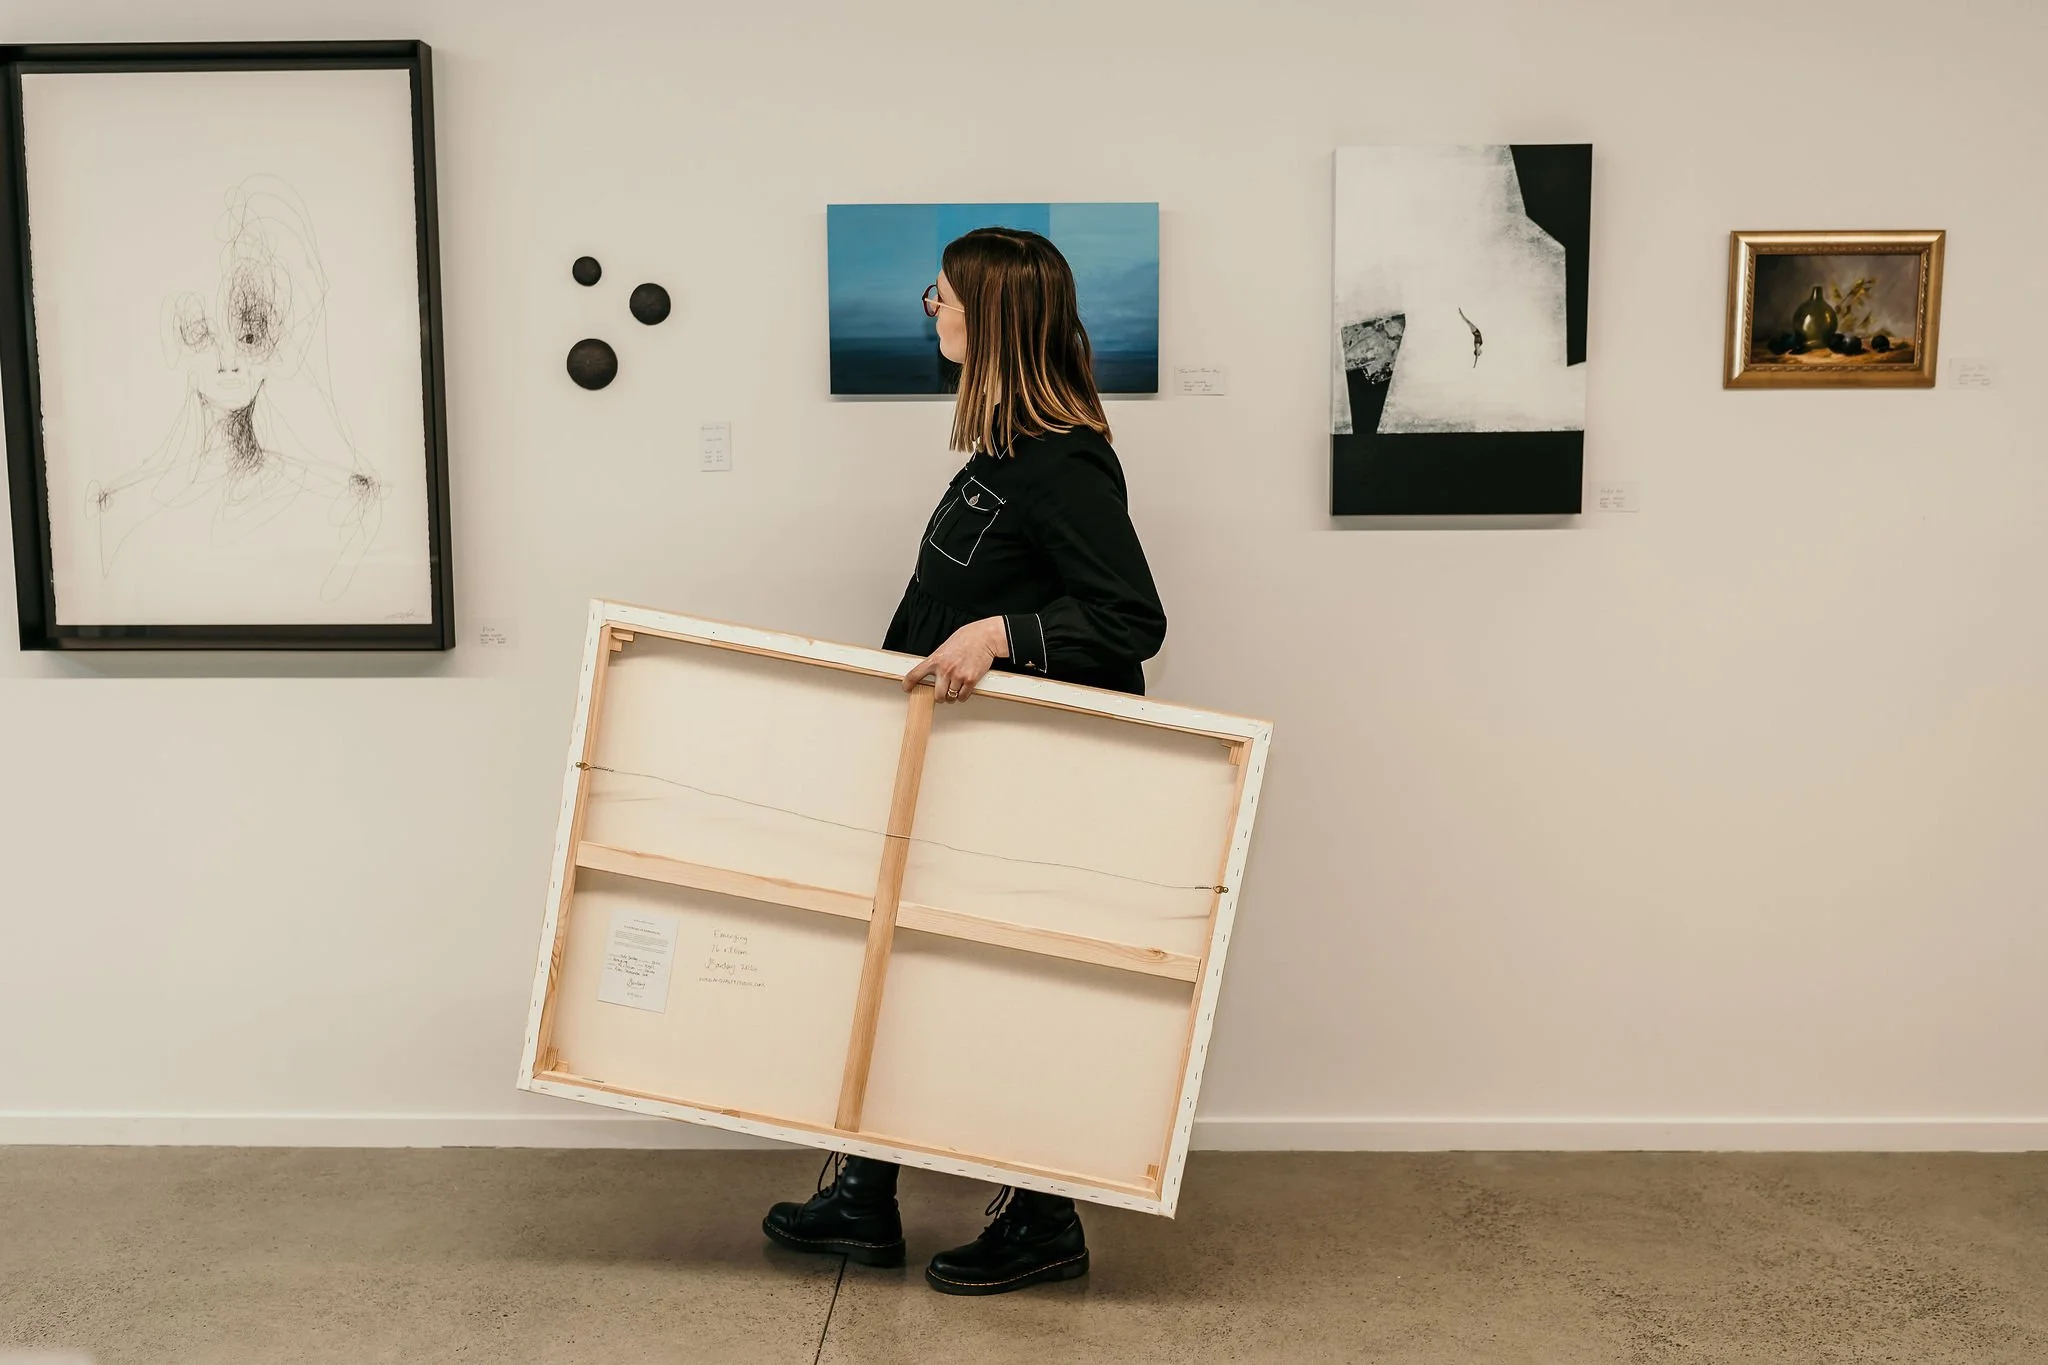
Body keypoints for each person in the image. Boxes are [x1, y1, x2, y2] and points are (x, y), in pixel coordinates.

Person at [761, 227, 1167, 1295]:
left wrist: (1001, 635)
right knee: (896, 970)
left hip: (1014, 785)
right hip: (937, 767)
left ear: (992, 316)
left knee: (994, 988)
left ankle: (1043, 1220)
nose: (928, 309)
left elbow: (1129, 619)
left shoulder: (1063, 459)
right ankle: (862, 1197)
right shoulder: (1000, 454)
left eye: (940, 295)